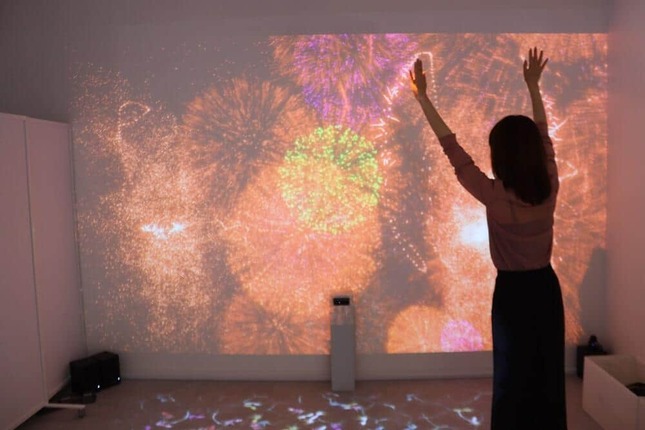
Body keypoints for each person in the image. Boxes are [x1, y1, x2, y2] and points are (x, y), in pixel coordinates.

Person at [409, 48, 567, 429]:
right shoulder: (550, 187)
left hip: (512, 294)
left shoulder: (494, 196)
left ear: (501, 158)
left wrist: (424, 99)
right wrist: (533, 87)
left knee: (511, 380)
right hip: (545, 289)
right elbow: (543, 132)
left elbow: (454, 151)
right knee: (547, 380)